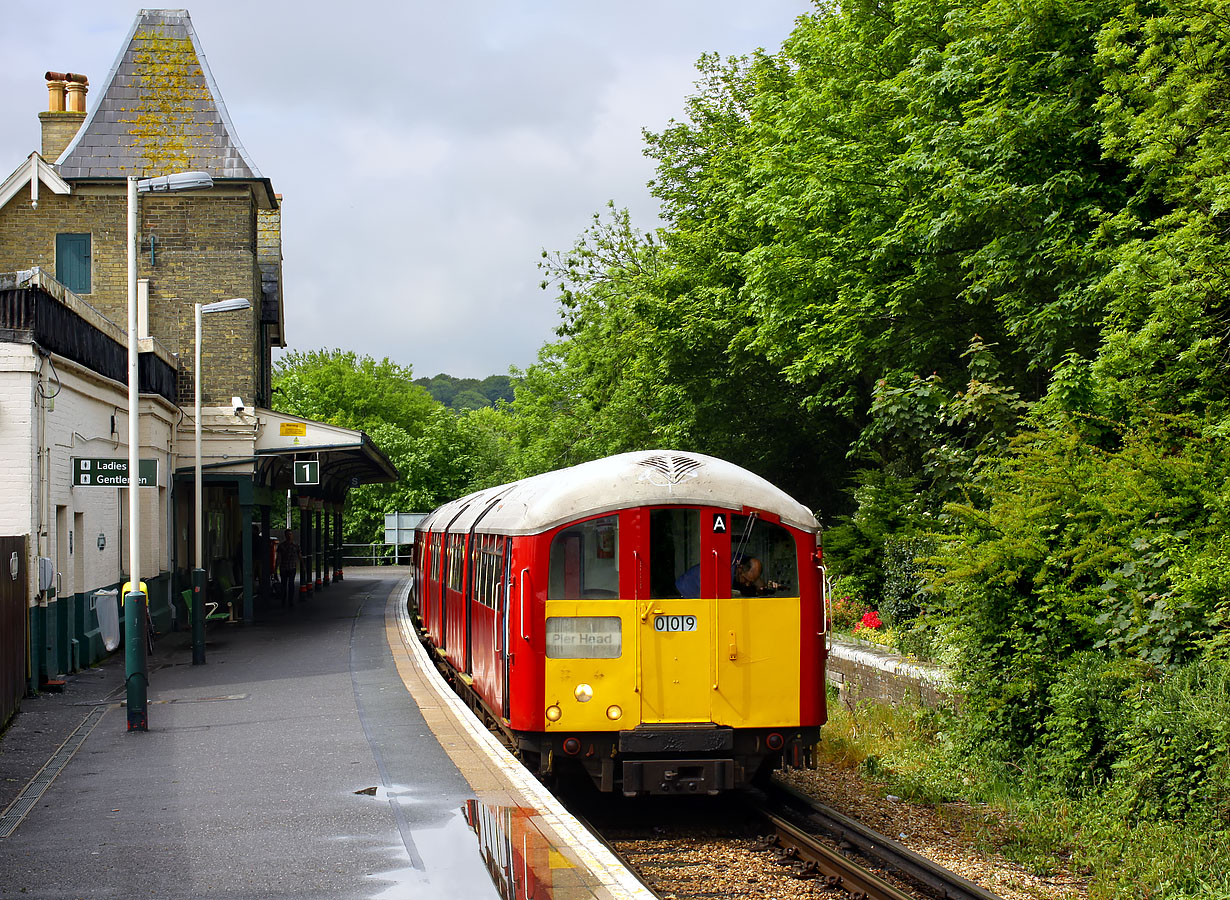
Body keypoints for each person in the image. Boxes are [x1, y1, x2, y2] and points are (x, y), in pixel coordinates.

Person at [276, 530, 300, 608]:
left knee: (290, 584)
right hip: (284, 567)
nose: (289, 536)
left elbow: (299, 555)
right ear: (285, 536)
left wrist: (302, 565)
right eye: (288, 534)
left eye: (290, 534)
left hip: (292, 567)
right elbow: (279, 558)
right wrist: (276, 567)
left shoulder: (295, 545)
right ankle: (284, 600)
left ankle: (290, 600)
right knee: (284, 584)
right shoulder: (282, 546)